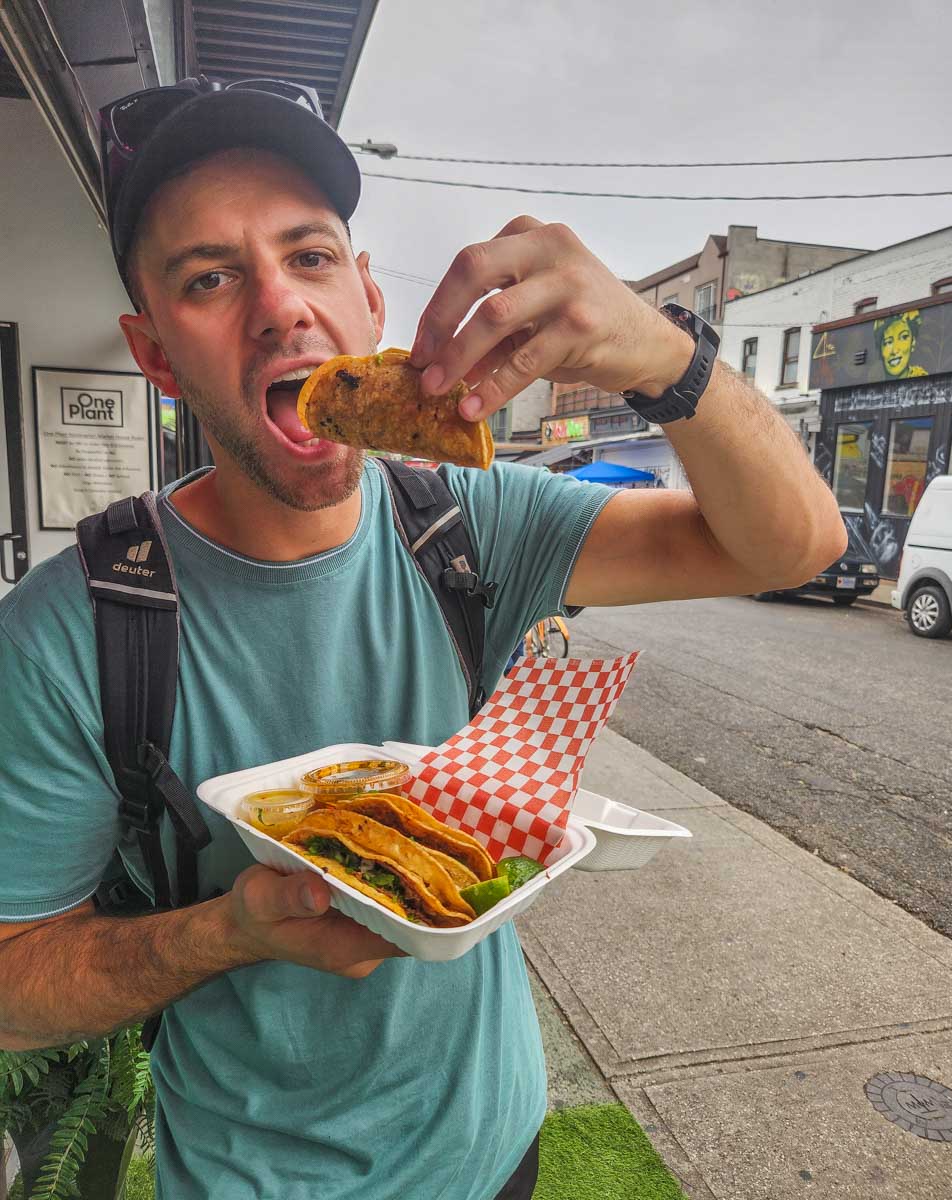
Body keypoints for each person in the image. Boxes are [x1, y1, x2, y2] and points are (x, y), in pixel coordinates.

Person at [0, 77, 846, 1200]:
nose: (277, 308)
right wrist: (230, 932)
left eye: (308, 257)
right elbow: (13, 987)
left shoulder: (465, 523)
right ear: (153, 353)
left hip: (496, 1142)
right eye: (209, 277)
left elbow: (791, 547)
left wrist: (661, 360)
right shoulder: (70, 628)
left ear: (366, 301)